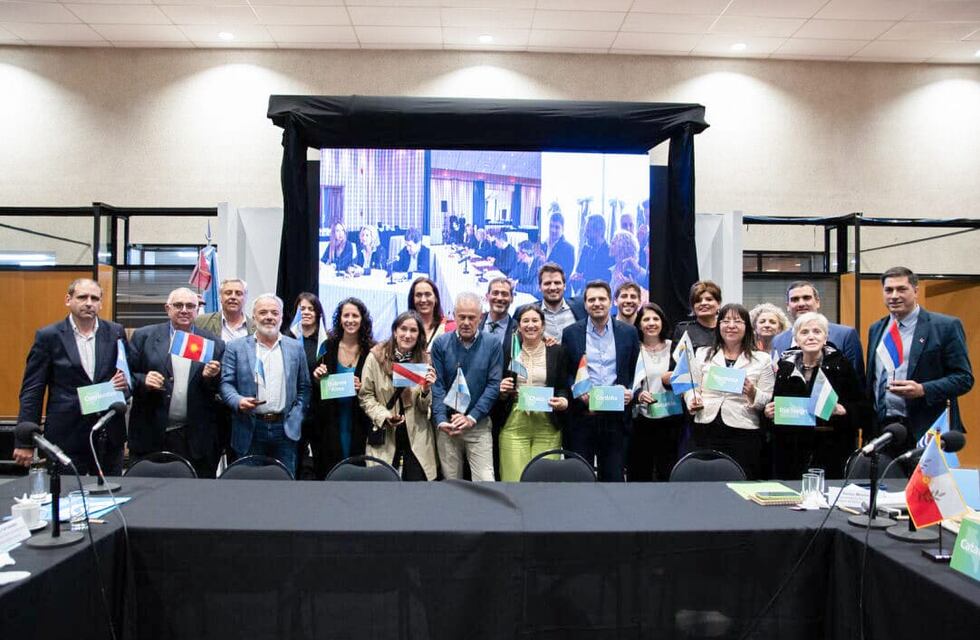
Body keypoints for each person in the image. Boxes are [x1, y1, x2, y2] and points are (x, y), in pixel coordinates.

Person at [14, 278, 130, 475]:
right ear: (68, 300)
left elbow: (127, 378)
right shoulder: (49, 336)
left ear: (101, 303)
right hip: (66, 435)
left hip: (108, 434)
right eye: (82, 297)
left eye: (94, 298)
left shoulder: (115, 332)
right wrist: (25, 442)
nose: (89, 303)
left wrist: (125, 385)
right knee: (67, 492)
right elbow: (32, 391)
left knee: (111, 491)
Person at [866, 266, 973, 449]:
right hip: (884, 431)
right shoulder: (877, 328)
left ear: (915, 291)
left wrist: (923, 389)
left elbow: (964, 379)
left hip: (926, 429)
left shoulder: (945, 326)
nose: (894, 296)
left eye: (901, 289)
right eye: (888, 290)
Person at [128, 287, 224, 478]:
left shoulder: (213, 343)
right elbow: (126, 376)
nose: (184, 310)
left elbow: (219, 388)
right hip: (151, 433)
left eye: (190, 306)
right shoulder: (144, 336)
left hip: (195, 438)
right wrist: (143, 380)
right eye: (178, 305)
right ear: (167, 308)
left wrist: (211, 377)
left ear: (197, 309)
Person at [764, 312, 866, 479]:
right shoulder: (784, 368)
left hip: (832, 452)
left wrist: (844, 410)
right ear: (796, 339)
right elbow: (777, 410)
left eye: (817, 332)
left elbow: (863, 409)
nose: (811, 337)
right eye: (804, 332)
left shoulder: (842, 366)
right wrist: (769, 413)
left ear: (825, 338)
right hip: (791, 455)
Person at [220, 294, 311, 477]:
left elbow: (304, 387)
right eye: (263, 312)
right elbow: (226, 384)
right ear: (254, 316)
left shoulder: (295, 348)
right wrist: (238, 401)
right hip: (250, 428)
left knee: (284, 484)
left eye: (274, 313)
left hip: (285, 430)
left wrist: (297, 415)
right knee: (249, 485)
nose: (269, 317)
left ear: (281, 317)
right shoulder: (235, 347)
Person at [561, 280, 640, 482]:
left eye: (602, 299)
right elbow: (565, 372)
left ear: (610, 302)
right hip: (582, 416)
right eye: (592, 300)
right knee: (581, 479)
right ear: (585, 304)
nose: (597, 303)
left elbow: (635, 371)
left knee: (613, 479)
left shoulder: (628, 332)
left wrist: (631, 391)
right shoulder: (570, 333)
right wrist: (578, 390)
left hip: (616, 419)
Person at [684, 304, 774, 479]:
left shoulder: (762, 359)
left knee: (741, 479)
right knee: (703, 479)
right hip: (705, 425)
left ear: (747, 327)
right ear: (718, 326)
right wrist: (692, 400)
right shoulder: (702, 353)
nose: (731, 325)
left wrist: (752, 392)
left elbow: (767, 399)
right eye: (725, 321)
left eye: (737, 321)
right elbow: (691, 386)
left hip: (743, 429)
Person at [430, 292, 502, 481]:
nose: (466, 322)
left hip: (478, 425)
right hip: (448, 426)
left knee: (486, 483)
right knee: (452, 485)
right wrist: (440, 419)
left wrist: (471, 417)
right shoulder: (440, 344)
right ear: (454, 315)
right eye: (462, 317)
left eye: (472, 317)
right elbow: (437, 385)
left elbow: (493, 385)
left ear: (481, 317)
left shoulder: (493, 344)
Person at [358, 311, 439, 480]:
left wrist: (426, 390)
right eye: (403, 329)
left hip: (416, 438)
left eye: (413, 330)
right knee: (385, 488)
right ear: (395, 331)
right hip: (386, 435)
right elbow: (365, 396)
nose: (407, 335)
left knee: (417, 490)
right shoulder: (376, 357)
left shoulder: (425, 360)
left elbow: (425, 407)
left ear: (419, 334)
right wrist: (384, 416)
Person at [496, 305, 569, 481]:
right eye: (525, 321)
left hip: (547, 423)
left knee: (544, 482)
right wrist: (502, 390)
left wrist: (563, 401)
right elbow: (497, 384)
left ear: (543, 326)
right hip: (514, 421)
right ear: (519, 326)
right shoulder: (508, 350)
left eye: (535, 321)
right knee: (513, 480)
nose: (530, 325)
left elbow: (563, 386)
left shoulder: (556, 351)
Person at [311, 297, 375, 478]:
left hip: (359, 421)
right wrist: (317, 377)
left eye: (355, 316)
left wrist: (363, 387)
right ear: (339, 319)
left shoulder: (372, 350)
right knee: (331, 471)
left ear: (362, 319)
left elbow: (377, 387)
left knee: (357, 472)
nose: (350, 320)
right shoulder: (327, 346)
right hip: (330, 421)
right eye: (346, 315)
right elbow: (316, 385)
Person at [630, 303, 683, 482]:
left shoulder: (674, 348)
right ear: (639, 324)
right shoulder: (634, 348)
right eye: (646, 319)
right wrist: (638, 394)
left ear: (662, 322)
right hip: (642, 418)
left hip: (670, 417)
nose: (651, 323)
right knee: (640, 471)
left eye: (655, 319)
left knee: (667, 470)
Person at [771, 281, 865, 382]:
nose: (801, 303)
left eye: (806, 298)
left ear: (817, 302)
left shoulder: (845, 335)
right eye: (795, 299)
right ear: (788, 306)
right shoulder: (778, 341)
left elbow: (857, 381)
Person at [286, 292, 326, 479]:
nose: (306, 312)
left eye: (311, 308)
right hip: (294, 408)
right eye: (302, 309)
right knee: (294, 459)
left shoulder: (327, 341)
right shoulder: (287, 338)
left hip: (320, 408)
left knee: (321, 460)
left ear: (318, 313)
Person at [537, 263, 586, 343]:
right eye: (547, 283)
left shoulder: (581, 306)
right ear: (539, 287)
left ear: (565, 286)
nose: (552, 288)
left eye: (557, 283)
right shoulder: (528, 313)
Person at [672, 280, 721, 350]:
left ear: (718, 303)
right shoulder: (684, 330)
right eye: (698, 301)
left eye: (709, 299)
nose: (703, 303)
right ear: (693, 307)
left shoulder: (727, 328)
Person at [570, 214, 613, 294]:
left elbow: (605, 280)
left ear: (599, 231)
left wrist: (584, 279)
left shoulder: (610, 252)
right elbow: (579, 271)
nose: (585, 234)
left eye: (588, 231)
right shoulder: (586, 249)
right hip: (583, 294)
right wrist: (575, 278)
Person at [407, 276, 453, 350]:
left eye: (428, 294)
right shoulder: (404, 328)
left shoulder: (451, 328)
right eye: (418, 295)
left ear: (436, 298)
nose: (423, 300)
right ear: (413, 299)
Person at [609, 230, 648, 296]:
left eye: (613, 244)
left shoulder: (634, 272)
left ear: (622, 247)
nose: (609, 246)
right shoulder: (610, 270)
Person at [544, 210, 575, 279]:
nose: (553, 230)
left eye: (557, 227)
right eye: (551, 226)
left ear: (563, 229)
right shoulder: (542, 245)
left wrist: (545, 263)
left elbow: (565, 275)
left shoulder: (569, 249)